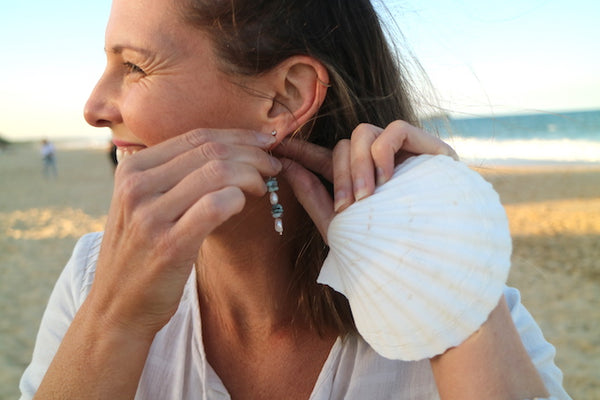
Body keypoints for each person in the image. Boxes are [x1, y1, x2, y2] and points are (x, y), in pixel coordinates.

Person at [19, 1, 570, 399]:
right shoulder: (92, 279)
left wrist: (447, 266)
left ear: (285, 98)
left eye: (134, 66)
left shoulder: (454, 295)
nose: (93, 107)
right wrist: (116, 317)